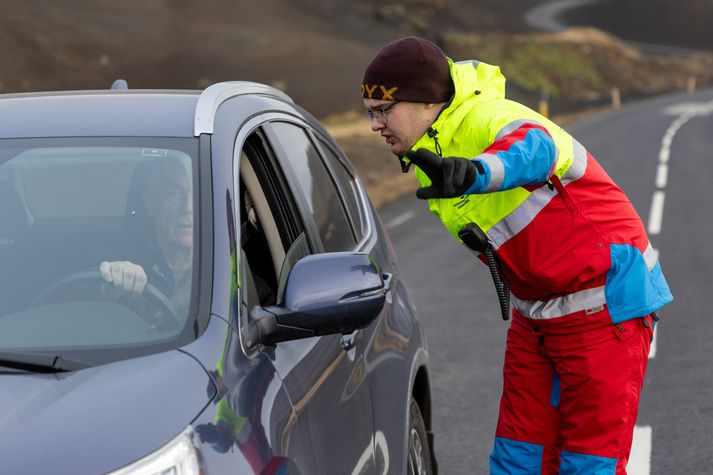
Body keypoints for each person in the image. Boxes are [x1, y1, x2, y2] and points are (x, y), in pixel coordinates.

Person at [361, 36, 672, 474]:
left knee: (588, 463)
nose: (375, 124)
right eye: (370, 112)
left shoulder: (487, 116)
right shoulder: (433, 151)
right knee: (517, 459)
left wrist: (477, 172)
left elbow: (538, 149)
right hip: (539, 314)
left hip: (604, 304)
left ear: (425, 101)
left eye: (383, 110)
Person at [99, 156, 193, 317]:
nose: (188, 208)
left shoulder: (223, 266)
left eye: (199, 193)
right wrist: (113, 288)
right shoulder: (127, 262)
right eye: (173, 194)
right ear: (150, 201)